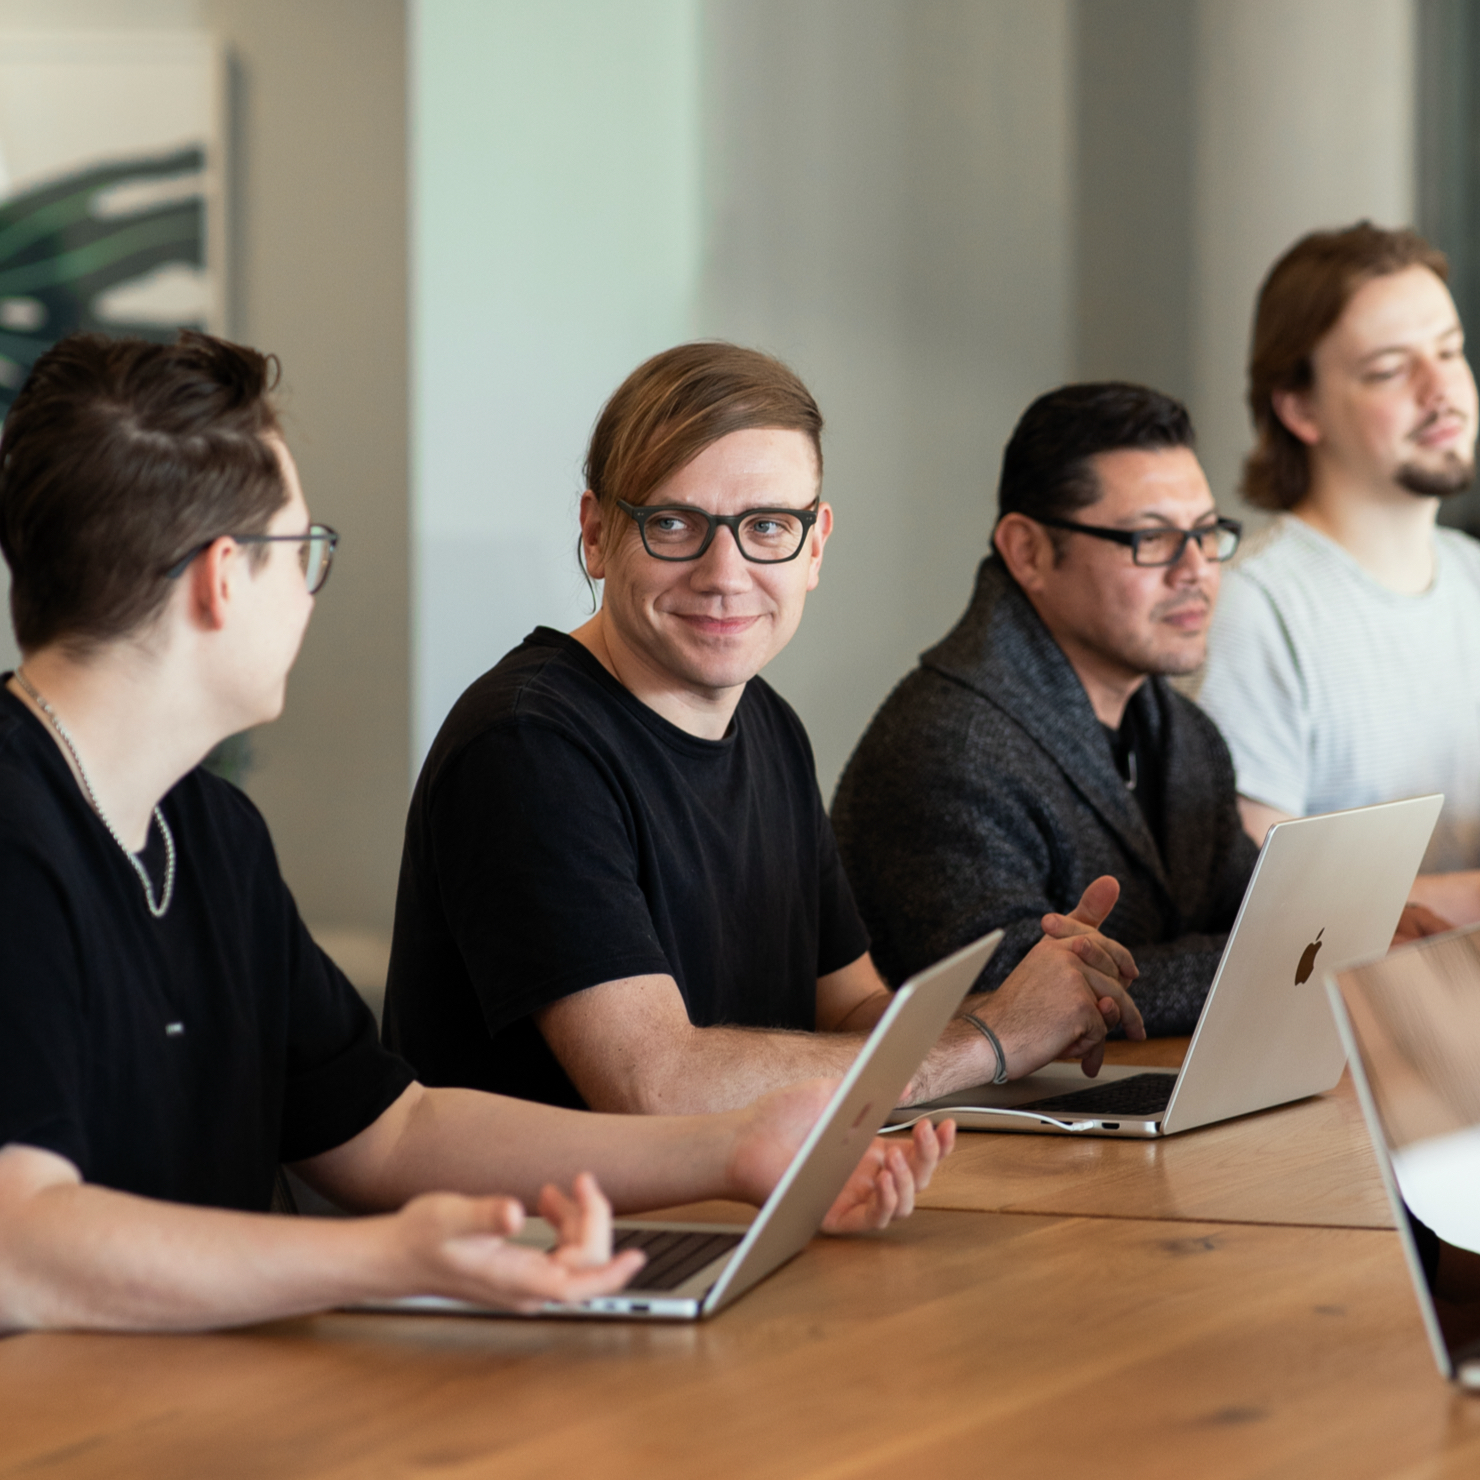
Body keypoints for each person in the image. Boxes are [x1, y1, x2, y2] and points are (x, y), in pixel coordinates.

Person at [0, 331, 950, 1335]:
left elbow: (389, 1131)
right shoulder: (16, 840)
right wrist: (382, 1258)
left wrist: (735, 1147)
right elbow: (20, 1248)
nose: (309, 595)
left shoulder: (210, 831)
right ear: (224, 578)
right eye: (303, 552)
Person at [383, 343, 1146, 1116]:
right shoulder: (525, 747)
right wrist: (990, 1039)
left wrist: (1034, 1004)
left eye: (768, 526)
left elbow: (850, 1014)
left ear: (814, 546)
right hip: (564, 1201)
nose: (724, 574)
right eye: (673, 523)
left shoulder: (767, 723)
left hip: (752, 1186)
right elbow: (656, 1086)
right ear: (597, 534)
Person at [831, 383, 1259, 1036]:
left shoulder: (1186, 735)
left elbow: (1261, 916)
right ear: (1028, 552)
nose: (1195, 570)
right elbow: (1018, 999)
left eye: (1205, 533)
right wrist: (1266, 961)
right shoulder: (949, 749)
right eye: (1151, 538)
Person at [1195, 223, 1480, 918]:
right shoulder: (1253, 608)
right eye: (1389, 370)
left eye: (1449, 351)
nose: (1441, 389)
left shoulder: (1472, 577)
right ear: (1301, 408)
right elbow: (1264, 909)